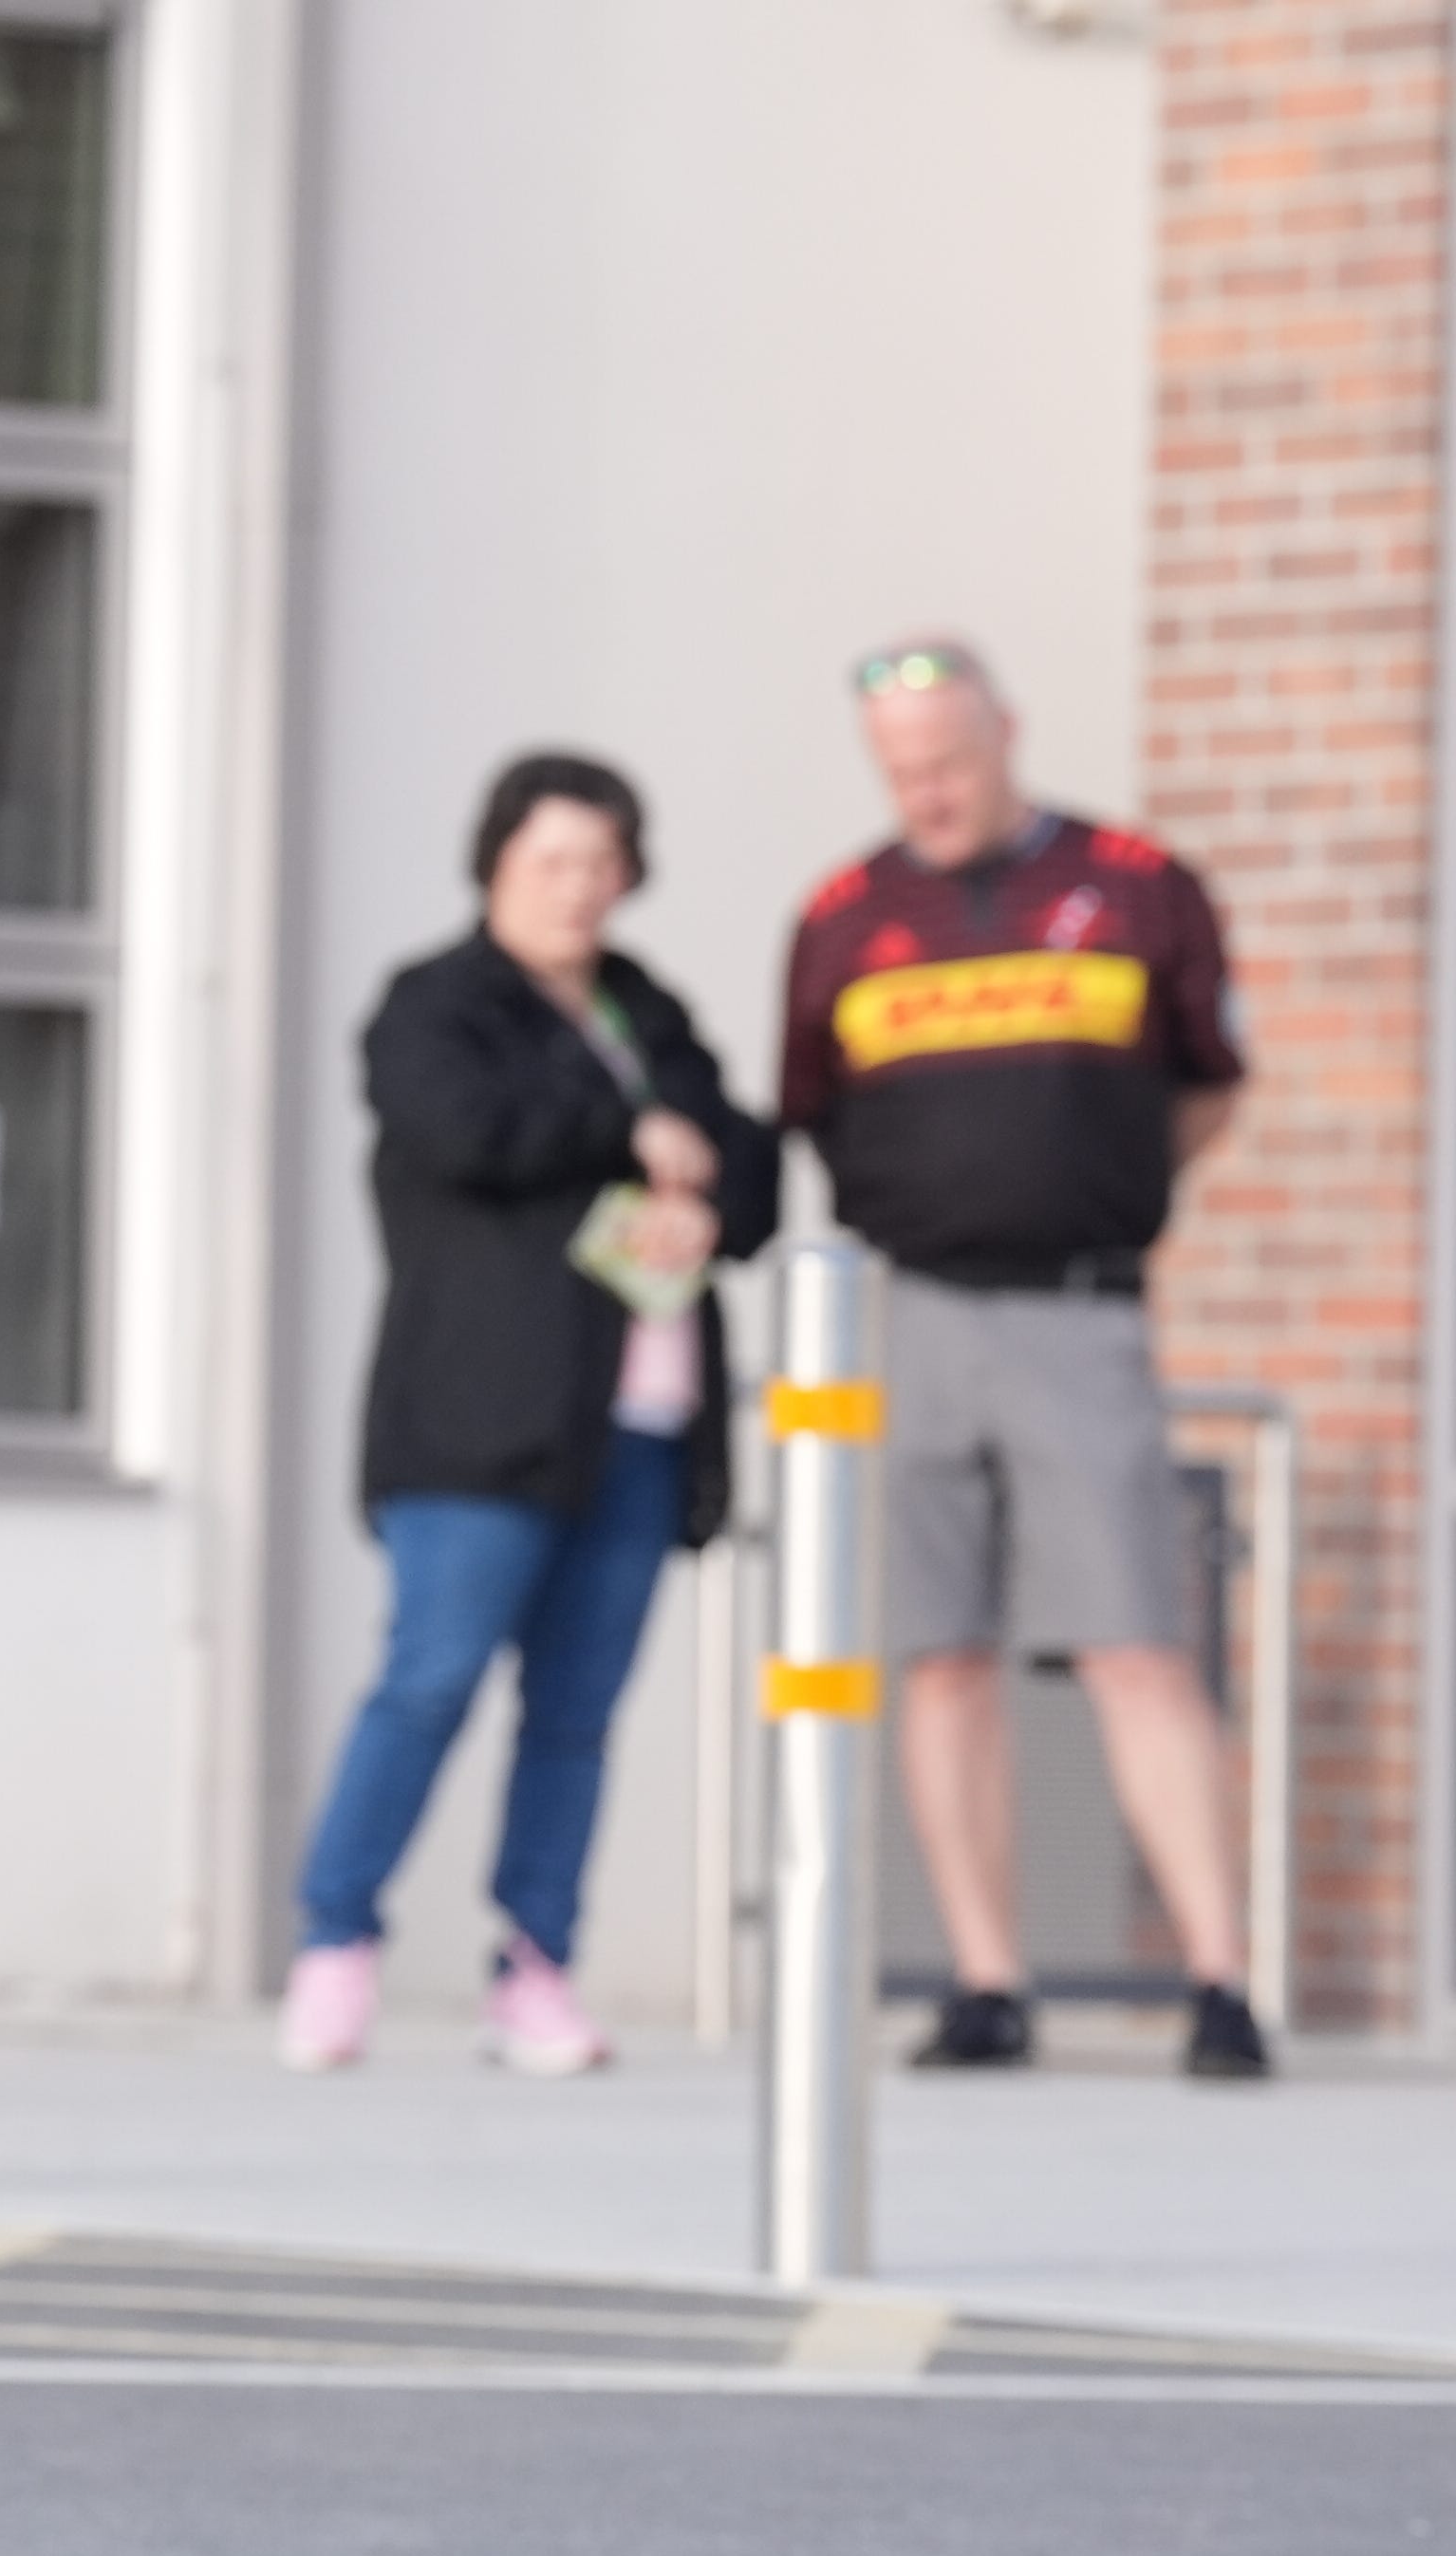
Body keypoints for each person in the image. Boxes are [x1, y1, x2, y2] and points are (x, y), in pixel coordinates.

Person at [780, 639, 1272, 2079]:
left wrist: (1096, 1192)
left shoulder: (1135, 884)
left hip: (1080, 1313)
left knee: (1135, 1641)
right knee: (938, 1658)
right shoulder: (841, 915)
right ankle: (987, 1979)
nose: (923, 792)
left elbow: (1210, 1086)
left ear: (1006, 734)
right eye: (898, 770)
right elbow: (816, 1112)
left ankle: (1220, 1980)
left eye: (946, 760)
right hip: (913, 1320)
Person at [281, 753, 782, 2075]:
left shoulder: (646, 1010)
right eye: (549, 861)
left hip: (640, 1418)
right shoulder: (435, 1006)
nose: (576, 889)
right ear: (496, 863)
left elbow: (749, 1159)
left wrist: (702, 1184)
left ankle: (537, 1964)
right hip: (479, 1424)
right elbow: (466, 1134)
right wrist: (633, 1142)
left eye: (600, 863)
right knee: (429, 1678)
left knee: (577, 1706)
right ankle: (336, 1940)